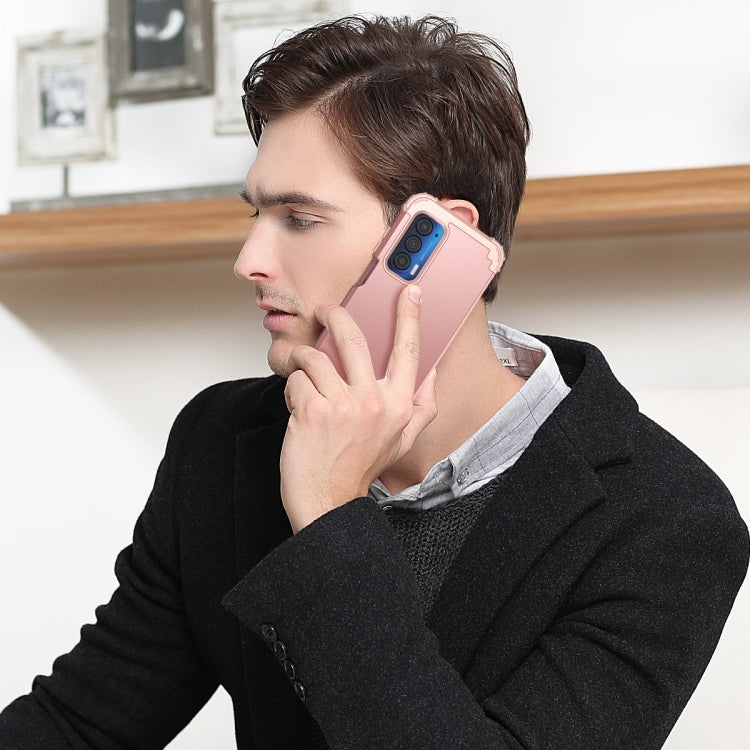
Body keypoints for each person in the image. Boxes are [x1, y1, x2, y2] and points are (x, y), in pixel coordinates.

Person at [1, 14, 747, 750]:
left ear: (440, 243)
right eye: (257, 213)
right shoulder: (221, 439)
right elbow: (79, 725)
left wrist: (330, 511)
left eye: (299, 218)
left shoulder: (669, 523)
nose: (248, 260)